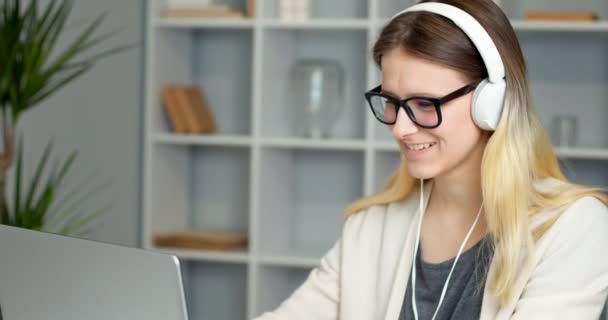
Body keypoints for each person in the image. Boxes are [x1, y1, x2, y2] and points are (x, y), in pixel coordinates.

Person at [254, 0, 608, 319]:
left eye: (426, 104)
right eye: (391, 101)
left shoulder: (574, 229)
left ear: (492, 103)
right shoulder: (370, 228)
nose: (400, 127)